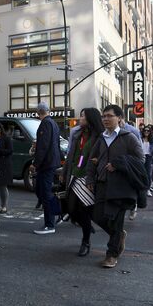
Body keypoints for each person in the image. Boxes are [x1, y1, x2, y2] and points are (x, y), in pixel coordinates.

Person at [86, 105, 145, 268]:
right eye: (103, 116)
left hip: (121, 186)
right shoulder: (101, 138)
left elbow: (141, 161)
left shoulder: (129, 137)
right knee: (96, 215)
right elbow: (92, 160)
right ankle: (118, 236)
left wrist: (119, 164)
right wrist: (89, 179)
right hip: (102, 183)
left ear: (119, 118)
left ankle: (111, 255)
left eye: (109, 116)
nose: (105, 119)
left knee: (116, 220)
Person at [61, 108, 103, 256]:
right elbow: (71, 155)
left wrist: (99, 161)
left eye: (83, 116)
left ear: (91, 119)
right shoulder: (78, 134)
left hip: (88, 178)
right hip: (74, 174)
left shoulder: (100, 136)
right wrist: (65, 172)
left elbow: (105, 156)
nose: (80, 118)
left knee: (84, 210)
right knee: (71, 209)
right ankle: (87, 226)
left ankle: (86, 241)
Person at [31, 102, 61, 235]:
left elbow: (43, 146)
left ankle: (50, 224)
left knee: (45, 193)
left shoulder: (45, 124)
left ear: (38, 112)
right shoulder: (53, 123)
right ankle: (57, 214)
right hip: (51, 162)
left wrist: (35, 164)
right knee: (43, 191)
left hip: (46, 164)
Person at [0, 122, 13, 214]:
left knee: (2, 185)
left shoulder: (6, 139)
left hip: (4, 165)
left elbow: (10, 151)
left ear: (0, 130)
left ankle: (4, 206)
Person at [141, 126, 153, 197]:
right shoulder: (140, 139)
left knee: (148, 174)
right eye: (145, 130)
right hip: (141, 157)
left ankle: (148, 189)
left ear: (150, 132)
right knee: (141, 173)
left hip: (149, 157)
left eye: (148, 131)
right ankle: (141, 189)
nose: (146, 132)